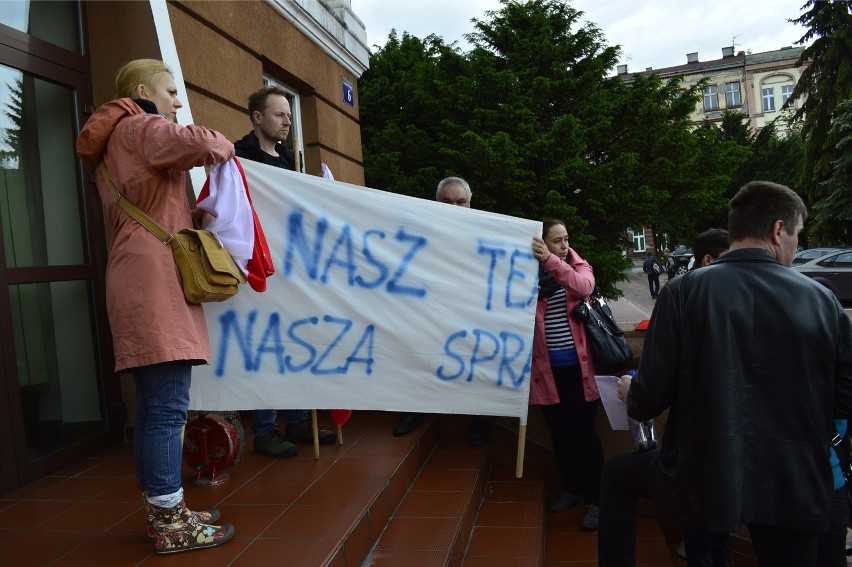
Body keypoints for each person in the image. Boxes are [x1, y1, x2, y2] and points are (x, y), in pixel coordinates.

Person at [597, 181, 852, 567]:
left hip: (703, 473)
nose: (797, 247)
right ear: (778, 230)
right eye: (798, 235)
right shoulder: (821, 299)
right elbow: (845, 398)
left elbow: (649, 399)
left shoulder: (681, 292)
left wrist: (633, 391)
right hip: (792, 480)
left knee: (617, 477)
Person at [76, 59, 235, 553]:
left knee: (153, 409)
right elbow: (207, 144)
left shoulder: (113, 143)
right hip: (154, 282)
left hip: (135, 278)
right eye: (170, 91)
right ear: (144, 91)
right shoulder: (141, 126)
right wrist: (225, 145)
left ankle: (165, 507)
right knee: (167, 409)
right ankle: (170, 523)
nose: (178, 102)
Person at [234, 85, 335, 456]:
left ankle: (295, 421)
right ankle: (264, 429)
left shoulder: (290, 159)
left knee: (291, 342)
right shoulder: (237, 155)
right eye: (280, 114)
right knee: (265, 346)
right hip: (257, 265)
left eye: (289, 116)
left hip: (289, 266)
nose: (287, 122)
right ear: (258, 117)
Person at [392, 177, 491, 446]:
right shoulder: (420, 231)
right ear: (436, 203)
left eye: (461, 202)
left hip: (472, 313)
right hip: (430, 312)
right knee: (414, 352)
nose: (454, 207)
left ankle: (482, 418)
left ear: (471, 204)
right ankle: (412, 411)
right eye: (447, 202)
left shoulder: (491, 233)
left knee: (482, 357)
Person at [530, 220, 603, 530]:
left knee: (583, 434)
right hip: (546, 373)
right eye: (556, 240)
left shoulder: (577, 266)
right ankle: (572, 488)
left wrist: (551, 260)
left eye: (565, 239)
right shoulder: (529, 277)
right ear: (542, 242)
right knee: (559, 434)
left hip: (579, 372)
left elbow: (583, 287)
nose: (564, 245)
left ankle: (597, 499)